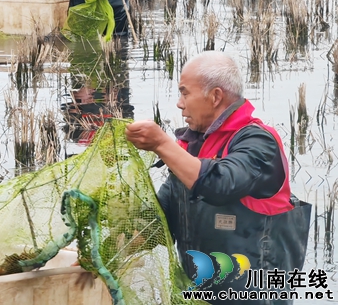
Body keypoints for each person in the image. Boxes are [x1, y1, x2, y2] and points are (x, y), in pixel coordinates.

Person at [125, 51, 310, 304]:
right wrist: (107, 251)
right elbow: (157, 222)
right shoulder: (190, 150)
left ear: (215, 97)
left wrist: (161, 144)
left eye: (185, 92)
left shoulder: (259, 142)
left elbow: (221, 183)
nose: (180, 103)